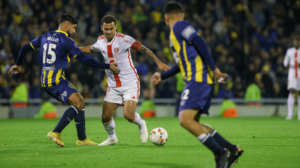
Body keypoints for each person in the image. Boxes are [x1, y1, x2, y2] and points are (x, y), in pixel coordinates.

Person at [151, 2, 243, 168]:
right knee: (195, 123)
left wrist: (214, 69)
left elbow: (199, 41)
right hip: (200, 80)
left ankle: (220, 153)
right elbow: (181, 64)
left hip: (198, 79)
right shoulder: (176, 36)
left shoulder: (179, 26)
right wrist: (162, 76)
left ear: (166, 18)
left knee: (185, 120)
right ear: (182, 14)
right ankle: (232, 149)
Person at [8, 14, 120, 147]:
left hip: (47, 80)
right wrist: (107, 66)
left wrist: (18, 64)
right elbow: (83, 60)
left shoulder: (45, 37)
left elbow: (24, 47)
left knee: (80, 101)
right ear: (66, 26)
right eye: (73, 28)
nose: (74, 31)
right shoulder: (67, 41)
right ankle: (56, 132)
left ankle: (82, 139)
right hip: (56, 81)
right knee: (78, 103)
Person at [80, 15, 170, 146]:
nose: (109, 31)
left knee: (128, 115)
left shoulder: (124, 40)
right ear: (101, 28)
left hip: (130, 82)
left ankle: (141, 123)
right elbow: (91, 49)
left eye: (111, 28)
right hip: (113, 85)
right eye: (106, 29)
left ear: (116, 27)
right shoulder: (100, 41)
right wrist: (75, 50)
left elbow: (143, 49)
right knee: (105, 117)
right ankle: (112, 138)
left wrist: (159, 63)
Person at [283, 35, 300, 120]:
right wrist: (288, 64)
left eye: (298, 41)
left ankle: (299, 114)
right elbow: (285, 61)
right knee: (292, 91)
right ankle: (290, 114)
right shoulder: (289, 51)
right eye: (295, 41)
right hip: (292, 73)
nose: (296, 43)